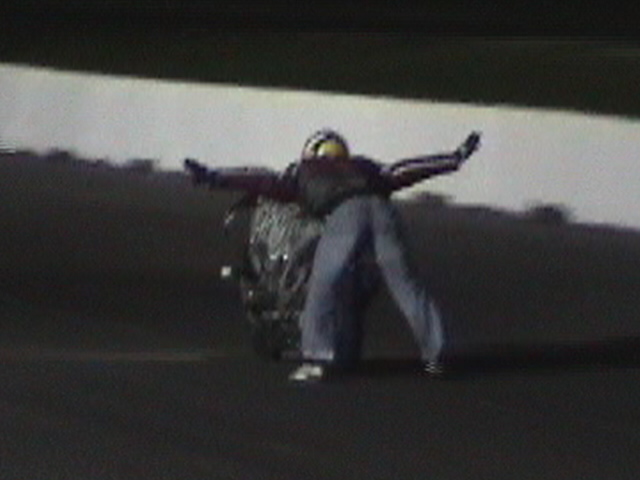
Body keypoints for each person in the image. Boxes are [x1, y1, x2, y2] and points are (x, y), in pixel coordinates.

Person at [185, 128, 481, 382]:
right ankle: (436, 354)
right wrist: (453, 158)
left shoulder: (302, 170)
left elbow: (261, 179)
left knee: (323, 284)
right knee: (407, 285)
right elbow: (405, 170)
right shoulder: (363, 166)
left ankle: (317, 357)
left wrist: (214, 177)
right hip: (383, 211)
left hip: (345, 214)